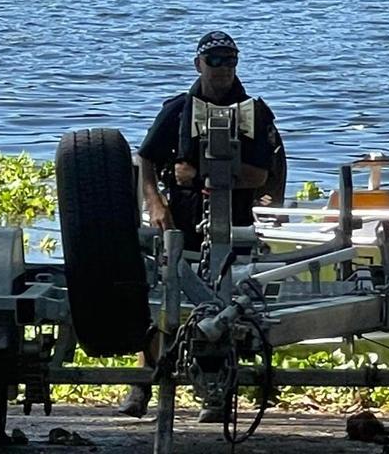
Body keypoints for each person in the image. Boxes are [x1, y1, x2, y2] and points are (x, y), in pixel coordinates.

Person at [119, 31, 286, 420]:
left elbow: (259, 175)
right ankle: (142, 383)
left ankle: (216, 393)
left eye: (230, 60)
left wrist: (198, 174)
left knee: (230, 305)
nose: (224, 68)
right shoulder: (177, 110)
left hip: (237, 221)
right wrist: (155, 203)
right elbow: (144, 159)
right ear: (198, 65)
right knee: (164, 297)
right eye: (215, 60)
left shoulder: (255, 113)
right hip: (182, 220)